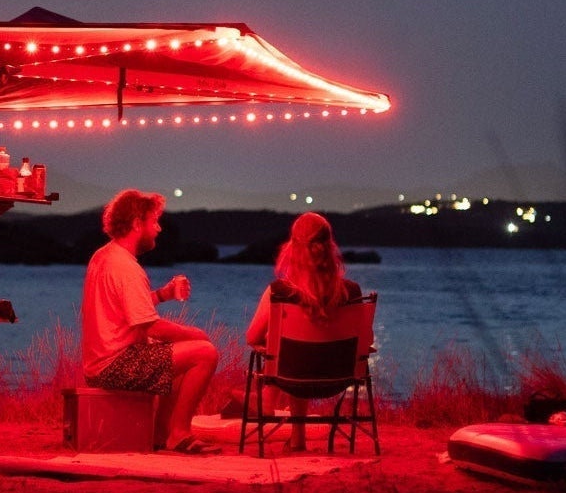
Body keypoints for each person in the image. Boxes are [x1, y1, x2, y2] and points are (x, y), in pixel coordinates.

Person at [81, 189, 220, 454]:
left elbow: (121, 311)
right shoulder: (127, 268)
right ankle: (179, 434)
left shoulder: (104, 256)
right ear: (136, 224)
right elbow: (150, 326)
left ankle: (160, 434)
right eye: (154, 221)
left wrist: (163, 295)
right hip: (115, 366)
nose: (158, 229)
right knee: (205, 353)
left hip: (99, 364)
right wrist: (194, 334)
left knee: (175, 354)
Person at [245, 211, 365, 451]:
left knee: (286, 349)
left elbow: (251, 338)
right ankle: (297, 437)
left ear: (293, 248)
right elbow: (365, 340)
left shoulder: (279, 292)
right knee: (298, 352)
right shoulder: (352, 292)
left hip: (291, 377)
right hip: (338, 379)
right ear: (330, 247)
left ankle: (268, 404)